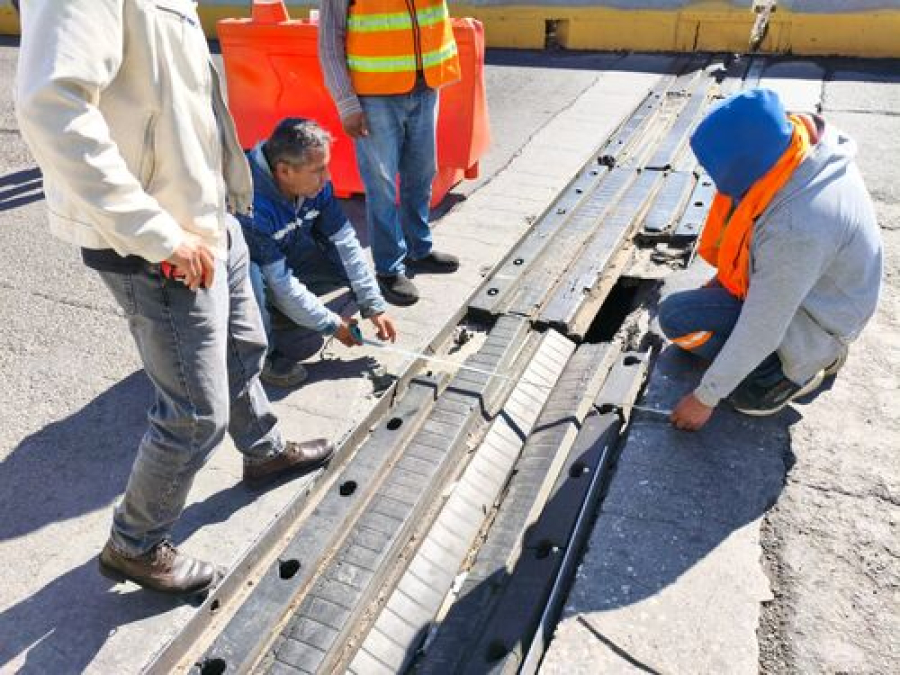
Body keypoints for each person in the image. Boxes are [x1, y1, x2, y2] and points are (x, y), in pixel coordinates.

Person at [15, 0, 335, 596]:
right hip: (158, 243)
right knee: (193, 415)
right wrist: (159, 234)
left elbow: (190, 104)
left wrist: (229, 197)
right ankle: (134, 545)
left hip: (208, 220)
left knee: (244, 349)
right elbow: (52, 107)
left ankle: (263, 450)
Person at [659, 88, 883, 431]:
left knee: (681, 324)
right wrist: (722, 284)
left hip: (815, 318)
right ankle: (819, 353)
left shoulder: (796, 227)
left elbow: (763, 326)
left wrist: (705, 398)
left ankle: (791, 374)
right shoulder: (800, 144)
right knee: (689, 314)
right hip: (826, 296)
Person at [319, 0, 461, 307]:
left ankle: (418, 249)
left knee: (421, 174)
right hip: (375, 95)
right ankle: (388, 268)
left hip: (426, 86)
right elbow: (330, 40)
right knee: (381, 186)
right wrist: (346, 102)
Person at [240, 117, 398, 387]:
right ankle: (261, 356)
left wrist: (372, 303)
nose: (327, 178)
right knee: (251, 277)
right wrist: (331, 324)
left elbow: (346, 242)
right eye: (318, 170)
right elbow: (280, 281)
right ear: (284, 171)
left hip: (282, 254)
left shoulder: (314, 185)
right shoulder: (250, 205)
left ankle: (283, 311)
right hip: (232, 274)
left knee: (339, 258)